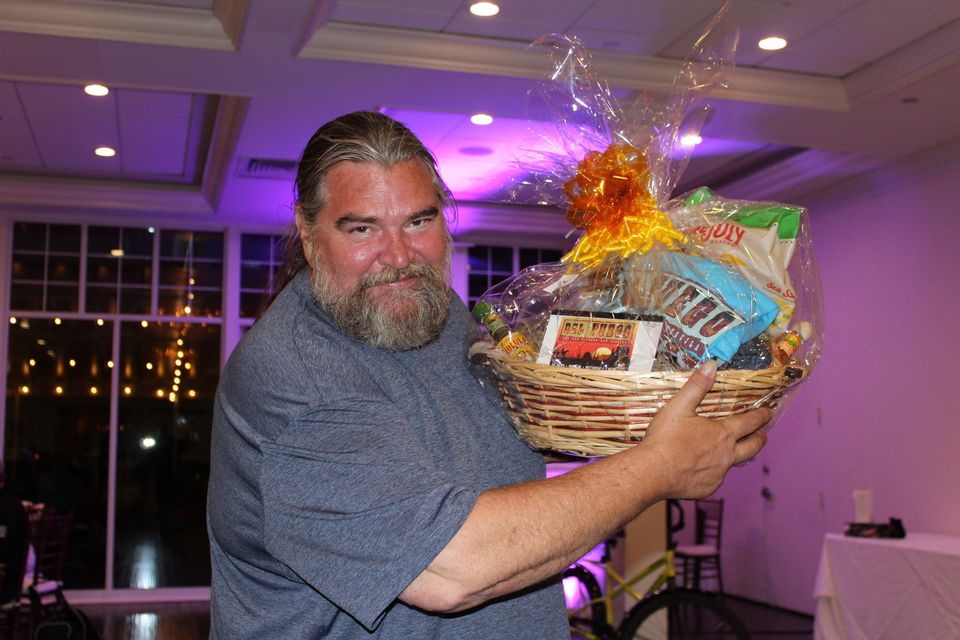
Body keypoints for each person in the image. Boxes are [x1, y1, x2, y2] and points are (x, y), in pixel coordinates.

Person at [206, 111, 769, 639]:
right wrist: (658, 467)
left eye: (419, 221)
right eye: (361, 229)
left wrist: (656, 364)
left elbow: (531, 422)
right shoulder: (295, 378)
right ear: (307, 234)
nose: (399, 256)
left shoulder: (435, 310)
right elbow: (450, 568)